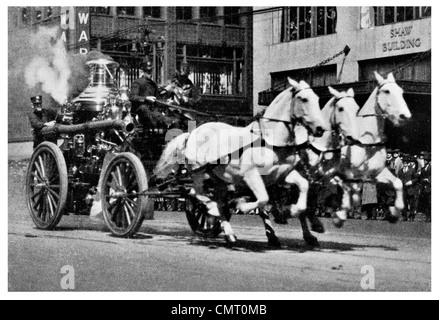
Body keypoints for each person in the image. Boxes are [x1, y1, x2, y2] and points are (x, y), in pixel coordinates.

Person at [129, 61, 170, 128]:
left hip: (152, 111)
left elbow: (158, 100)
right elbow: (132, 97)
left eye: (151, 71)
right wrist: (146, 98)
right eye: (148, 71)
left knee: (168, 121)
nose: (150, 73)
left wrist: (165, 102)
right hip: (140, 112)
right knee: (144, 108)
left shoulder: (153, 84)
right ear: (143, 72)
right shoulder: (137, 82)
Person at [398, 156, 419, 221]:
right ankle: (404, 216)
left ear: (408, 163)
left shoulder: (412, 170)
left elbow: (416, 178)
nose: (405, 164)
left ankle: (411, 216)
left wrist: (411, 182)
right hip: (403, 189)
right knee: (403, 203)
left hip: (410, 189)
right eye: (404, 163)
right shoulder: (400, 171)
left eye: (406, 163)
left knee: (411, 203)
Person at [418, 154, 431, 222]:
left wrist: (428, 180)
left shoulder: (431, 167)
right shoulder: (423, 168)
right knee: (426, 202)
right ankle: (427, 217)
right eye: (424, 160)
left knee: (430, 202)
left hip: (429, 186)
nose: (425, 161)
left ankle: (430, 216)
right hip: (424, 186)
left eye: (426, 160)